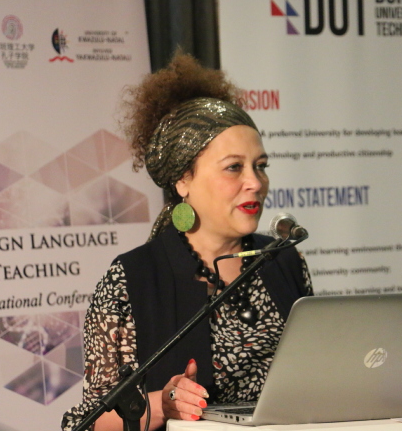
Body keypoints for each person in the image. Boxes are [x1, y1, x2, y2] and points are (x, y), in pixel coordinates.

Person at [61, 52, 313, 431]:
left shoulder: (283, 259)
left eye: (260, 166)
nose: (255, 182)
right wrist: (162, 405)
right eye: (234, 167)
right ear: (183, 180)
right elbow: (88, 423)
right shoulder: (132, 279)